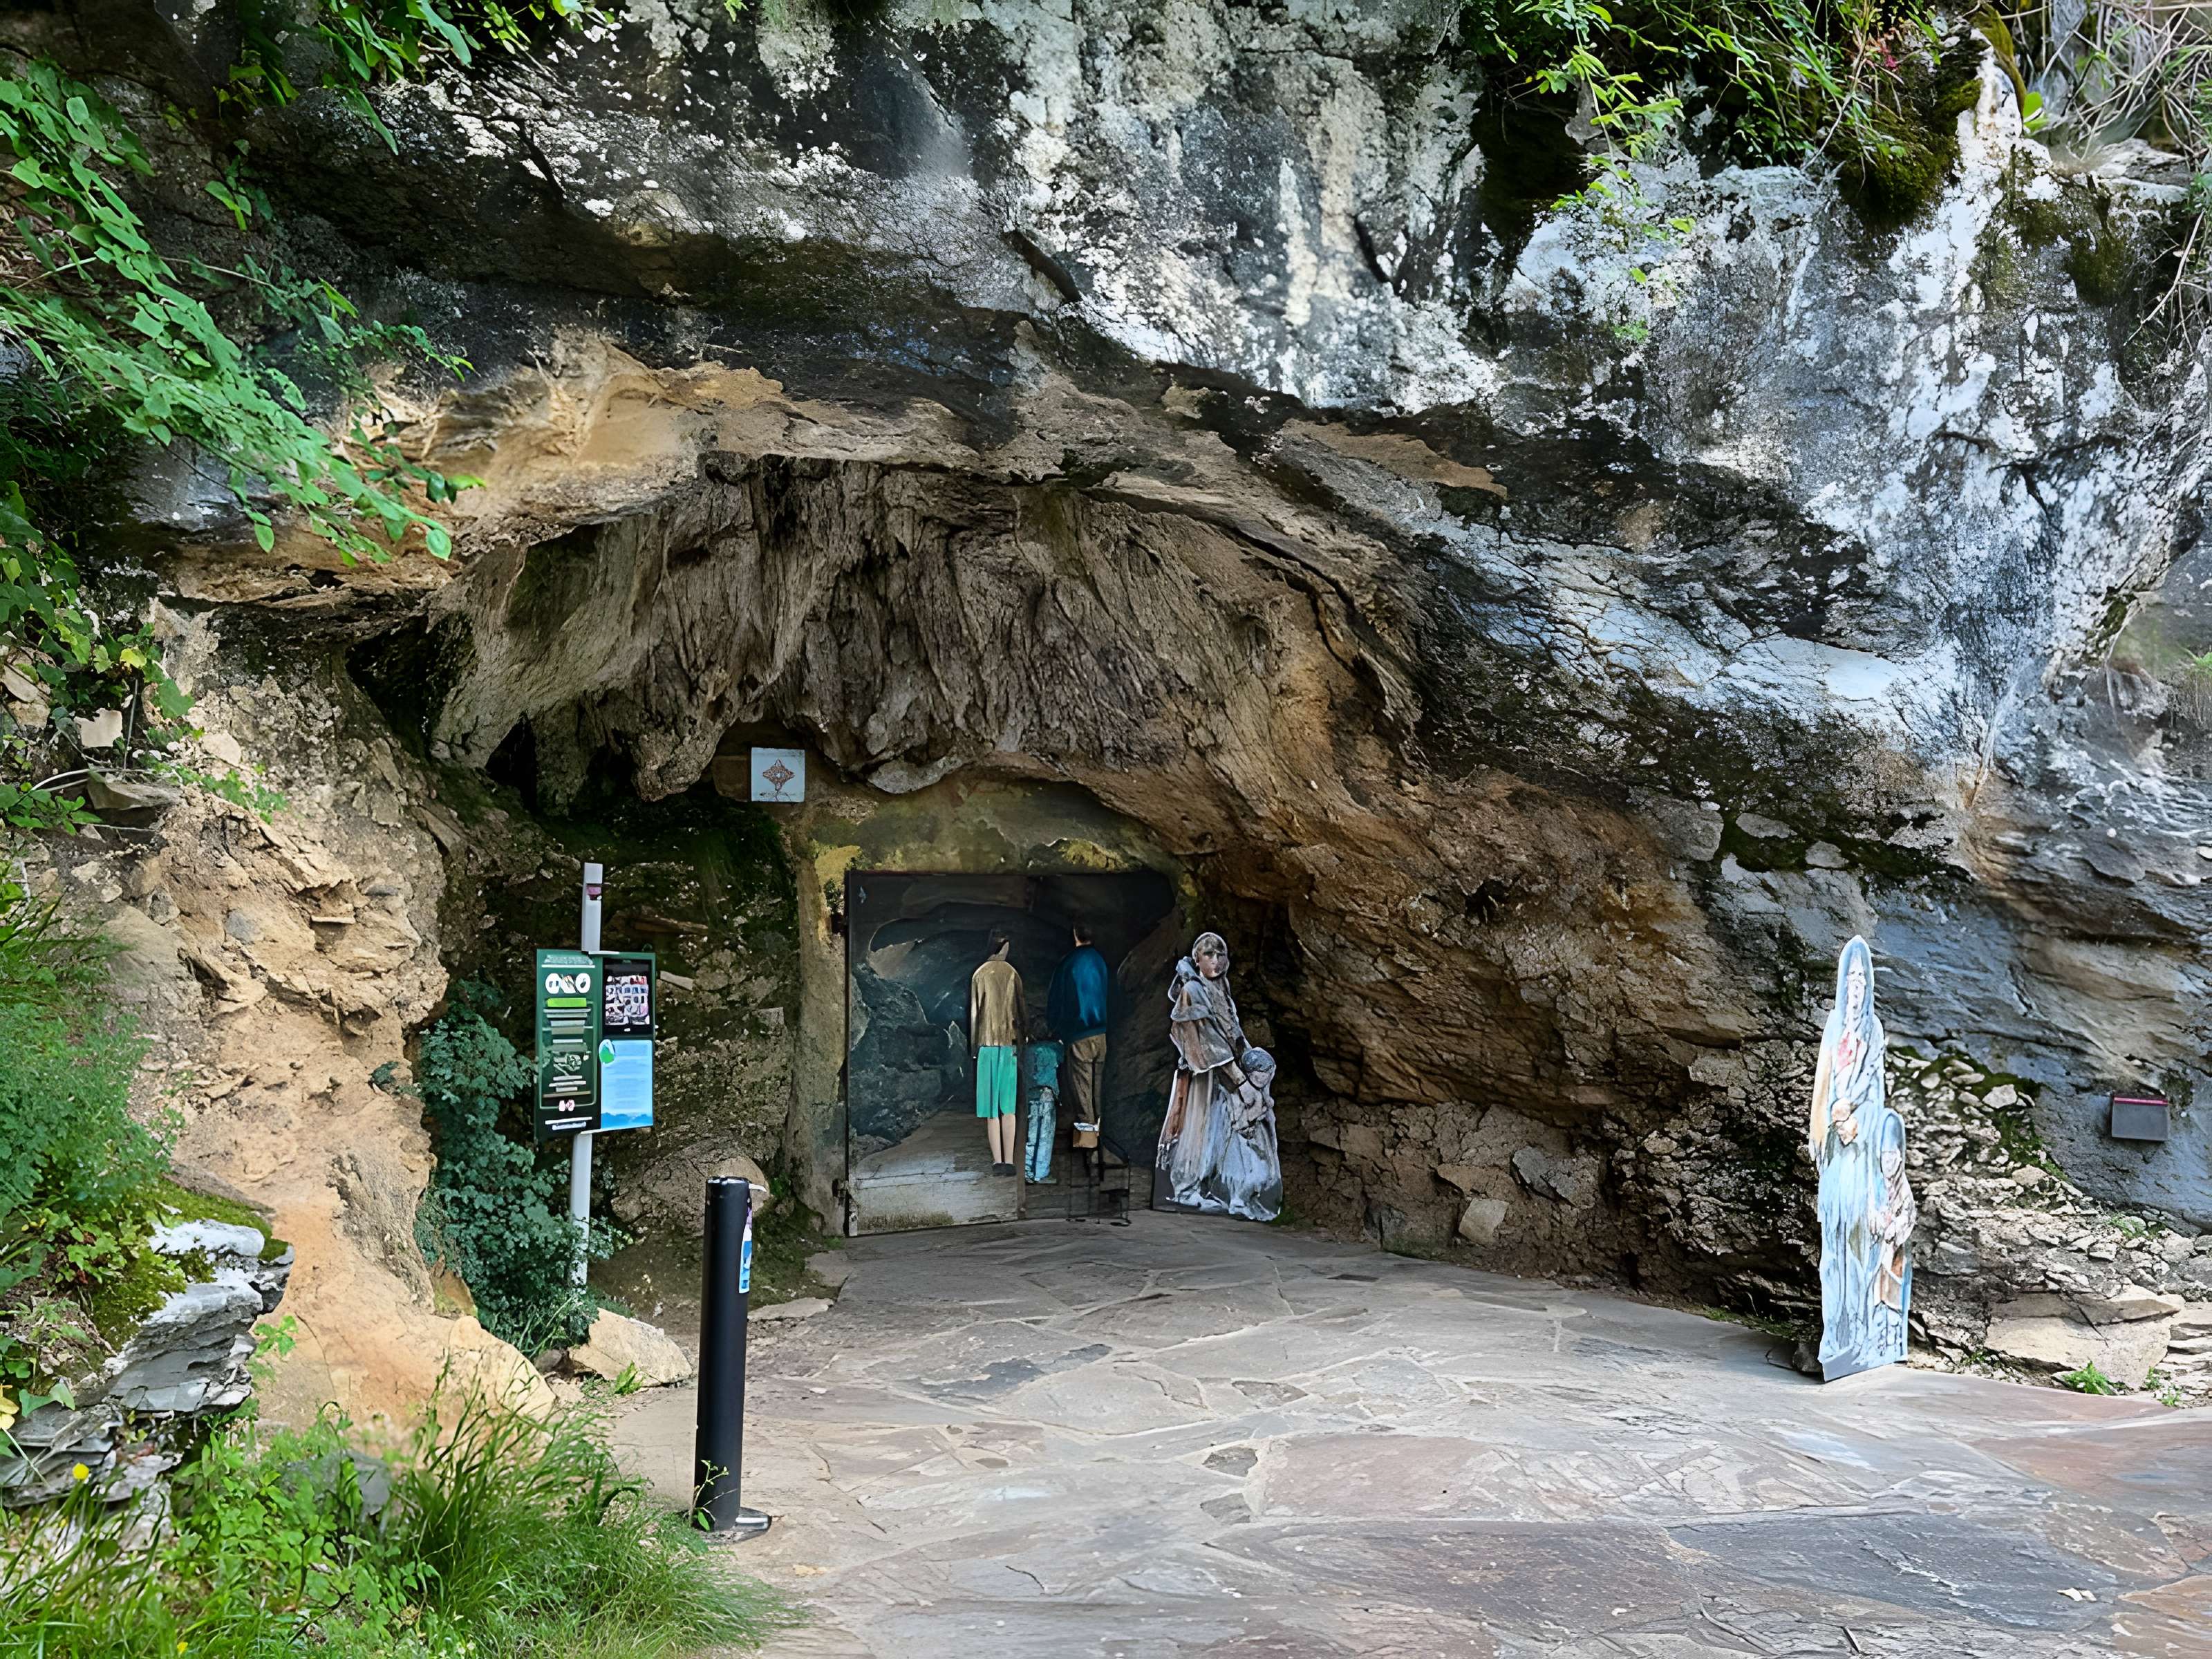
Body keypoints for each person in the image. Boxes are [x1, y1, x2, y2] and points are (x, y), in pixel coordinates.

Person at [1808, 935, 1913, 1380]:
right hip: (1835, 1149)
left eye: (1861, 977)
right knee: (1834, 1241)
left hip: (1861, 1145)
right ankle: (1839, 1332)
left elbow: (1876, 1094)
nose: (1855, 985)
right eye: (1848, 977)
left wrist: (1859, 1119)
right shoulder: (1835, 1026)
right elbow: (1824, 1086)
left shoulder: (1873, 1030)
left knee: (1858, 1235)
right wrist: (1832, 1114)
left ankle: (1861, 1331)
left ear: (1868, 984)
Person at [1158, 931, 1246, 1208]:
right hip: (1200, 1073)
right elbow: (1197, 1035)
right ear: (1197, 958)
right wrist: (1232, 1071)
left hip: (1218, 1074)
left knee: (1214, 1128)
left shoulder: (1221, 987)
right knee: (1194, 1128)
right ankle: (1186, 1188)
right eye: (1210, 955)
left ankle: (1206, 1184)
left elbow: (1232, 1028)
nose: (1216, 961)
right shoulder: (1192, 991)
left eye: (1221, 955)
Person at [1047, 922, 1112, 1174]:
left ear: (1074, 934)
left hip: (1079, 1035)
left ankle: (1090, 1153)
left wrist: (1057, 1030)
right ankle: (1101, 1144)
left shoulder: (1068, 963)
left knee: (1082, 1094)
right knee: (1097, 1092)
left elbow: (1058, 1001)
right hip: (1102, 1034)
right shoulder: (1101, 961)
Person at [1197, 1045, 1283, 1221]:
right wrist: (1259, 1110)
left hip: (1256, 1140)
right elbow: (1240, 1121)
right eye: (1262, 1074)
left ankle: (1243, 1202)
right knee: (1255, 1174)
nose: (1266, 1078)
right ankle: (1238, 1202)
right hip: (1241, 1141)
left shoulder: (1259, 1094)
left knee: (1264, 1175)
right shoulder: (1238, 1096)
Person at [968, 928, 1025, 1177]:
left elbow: (974, 1015)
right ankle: (1010, 1161)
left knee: (991, 1109)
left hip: (986, 1047)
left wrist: (973, 1048)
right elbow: (1021, 1012)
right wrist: (1021, 1043)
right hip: (1009, 1045)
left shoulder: (979, 975)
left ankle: (997, 1161)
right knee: (1008, 1107)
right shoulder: (1013, 974)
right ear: (1004, 947)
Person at [1021, 1018, 1062, 1185]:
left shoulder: (1027, 1050)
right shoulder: (1054, 1049)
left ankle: (1027, 1170)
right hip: (1047, 1094)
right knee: (1045, 1135)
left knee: (1031, 1134)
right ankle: (1041, 1173)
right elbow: (1062, 1058)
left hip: (1031, 1095)